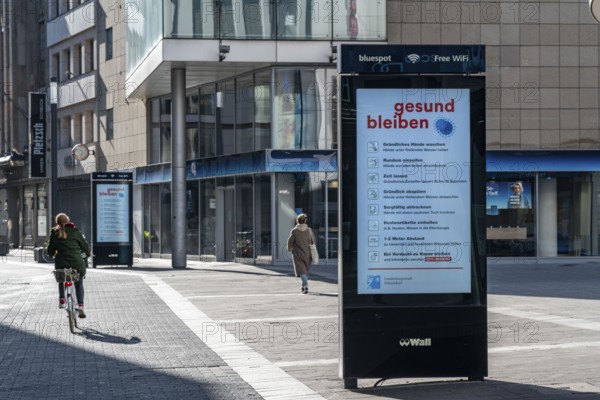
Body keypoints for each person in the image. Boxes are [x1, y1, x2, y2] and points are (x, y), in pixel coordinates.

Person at [47, 213, 91, 318]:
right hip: (76, 263)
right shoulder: (76, 232)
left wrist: (51, 254)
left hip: (61, 263)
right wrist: (88, 253)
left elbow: (50, 250)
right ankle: (80, 305)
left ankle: (62, 300)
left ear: (57, 222)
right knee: (79, 284)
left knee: (61, 279)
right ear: (68, 220)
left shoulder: (54, 233)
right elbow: (84, 246)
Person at [287, 213, 316, 294]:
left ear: (297, 221)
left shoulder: (294, 231)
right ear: (305, 221)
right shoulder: (309, 230)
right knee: (306, 271)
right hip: (308, 253)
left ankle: (305, 285)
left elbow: (290, 242)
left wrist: (290, 249)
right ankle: (303, 286)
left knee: (301, 271)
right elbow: (313, 241)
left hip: (298, 253)